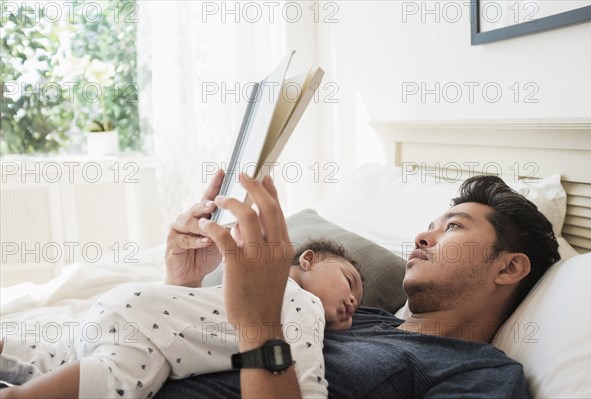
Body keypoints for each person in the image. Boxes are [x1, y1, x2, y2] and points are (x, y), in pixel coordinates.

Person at [148, 170, 559, 398]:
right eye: (429, 226)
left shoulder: (481, 376)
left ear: (508, 269)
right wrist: (183, 284)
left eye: (452, 228)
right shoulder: (356, 316)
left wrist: (260, 327)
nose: (421, 237)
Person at [0, 207, 363, 399]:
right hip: (143, 335)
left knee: (51, 357)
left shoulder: (233, 287)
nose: (352, 301)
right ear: (308, 259)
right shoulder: (301, 302)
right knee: (119, 380)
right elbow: (307, 379)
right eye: (350, 282)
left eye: (357, 304)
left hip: (120, 306)